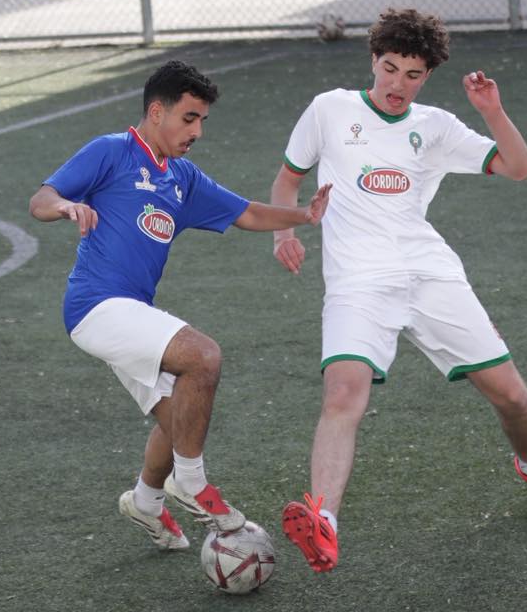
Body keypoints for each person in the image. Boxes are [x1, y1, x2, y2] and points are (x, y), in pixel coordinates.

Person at [268, 7, 527, 576]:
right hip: (358, 282)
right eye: (390, 69)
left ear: (427, 76)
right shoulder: (329, 109)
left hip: (430, 274)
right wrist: (284, 231)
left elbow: (519, 167)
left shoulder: (436, 126)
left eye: (412, 75)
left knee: (511, 397)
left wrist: (492, 111)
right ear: (373, 61)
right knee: (342, 394)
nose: (397, 84)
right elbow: (289, 178)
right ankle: (323, 521)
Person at [29, 59, 331, 554]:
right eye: (189, 118)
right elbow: (41, 198)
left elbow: (246, 213)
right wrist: (64, 206)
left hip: (131, 312)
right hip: (96, 306)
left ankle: (146, 502)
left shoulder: (182, 177)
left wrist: (304, 215)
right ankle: (191, 483)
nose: (197, 131)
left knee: (181, 418)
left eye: (202, 121)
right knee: (203, 356)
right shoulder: (112, 151)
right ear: (156, 112)